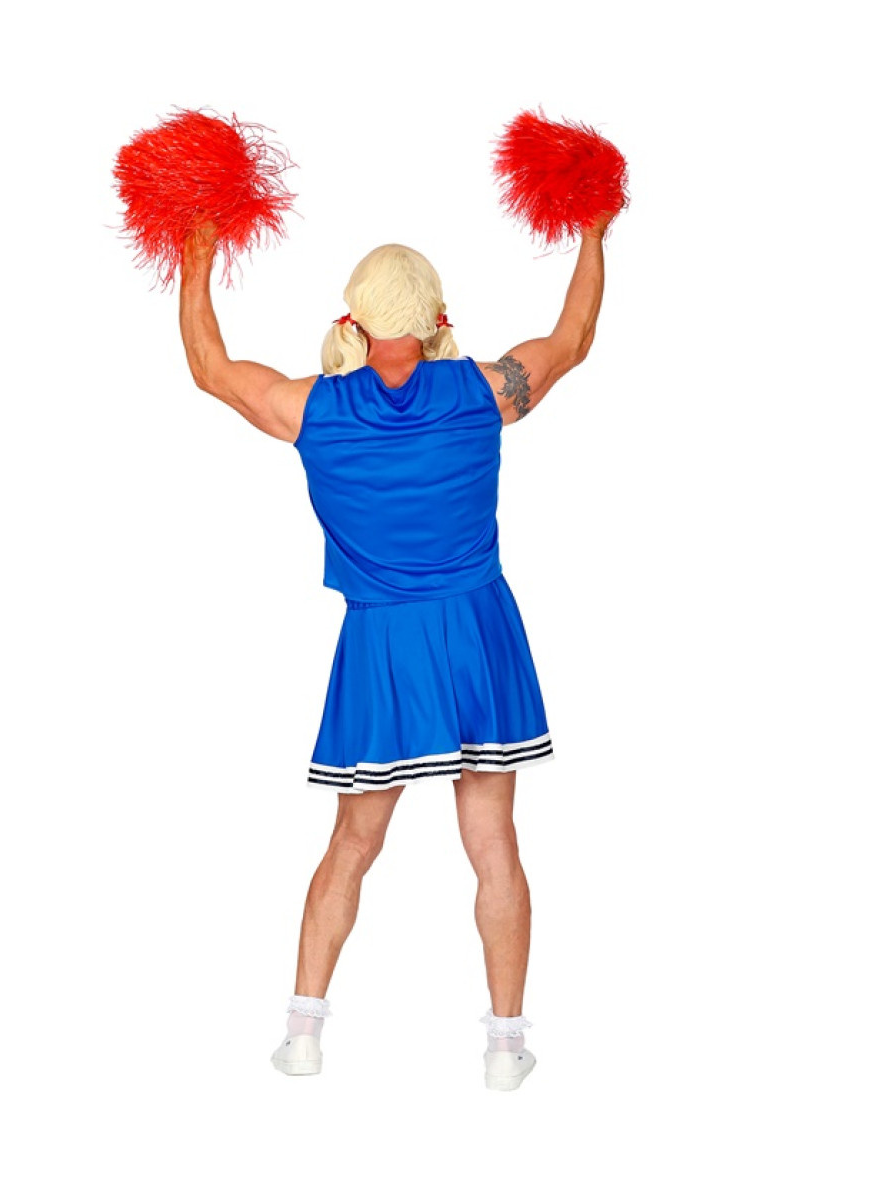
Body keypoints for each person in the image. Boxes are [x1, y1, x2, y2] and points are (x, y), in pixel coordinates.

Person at [176, 217, 608, 1089]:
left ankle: (303, 1037)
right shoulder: (484, 391)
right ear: (439, 315)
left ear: (355, 318)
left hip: (382, 645)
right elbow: (572, 338)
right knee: (493, 843)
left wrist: (197, 252)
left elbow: (210, 367)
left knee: (352, 843)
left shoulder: (312, 408)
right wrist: (593, 232)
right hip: (478, 633)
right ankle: (505, 1049)